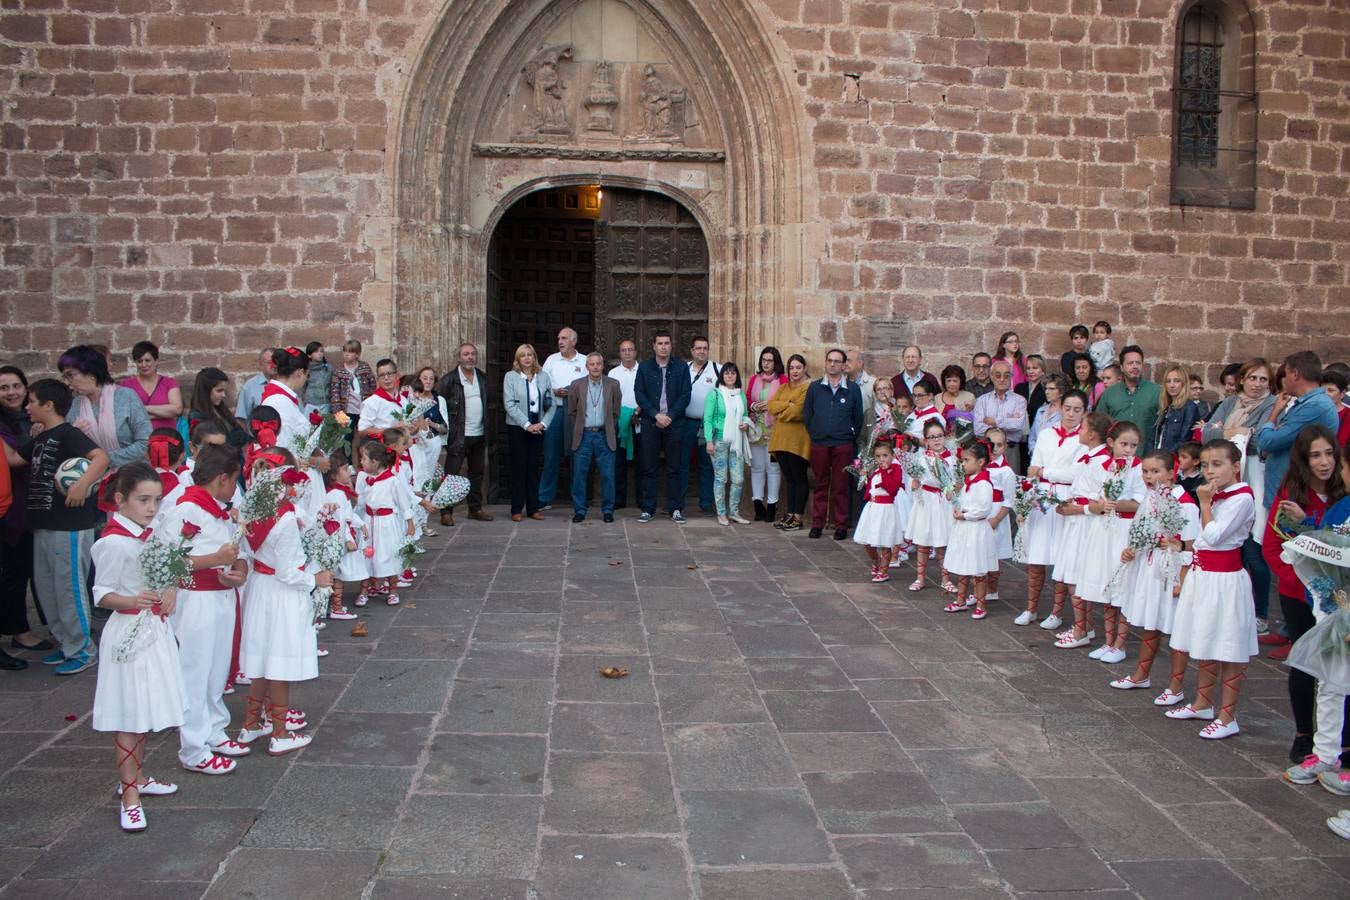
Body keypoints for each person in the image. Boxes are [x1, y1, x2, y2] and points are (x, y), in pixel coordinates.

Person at [90, 462, 188, 832]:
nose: (152, 508)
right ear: (120, 500)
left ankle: (140, 779)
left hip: (154, 630)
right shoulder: (113, 542)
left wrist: (170, 592)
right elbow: (102, 595)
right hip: (130, 633)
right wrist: (135, 599)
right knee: (129, 713)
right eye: (143, 500)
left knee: (144, 707)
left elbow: (170, 573)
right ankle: (129, 795)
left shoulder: (152, 534)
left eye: (157, 500)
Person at [1262, 426, 1347, 772]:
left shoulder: (1344, 494)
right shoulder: (1291, 494)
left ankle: (1340, 739)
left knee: (1341, 669)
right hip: (1300, 592)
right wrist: (1306, 584)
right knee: (1305, 662)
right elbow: (1272, 547)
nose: (1324, 462)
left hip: (1341, 599)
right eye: (1315, 455)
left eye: (1329, 454)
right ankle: (1302, 733)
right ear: (1303, 458)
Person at [159, 443, 246, 775]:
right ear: (222, 478)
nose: (235, 489)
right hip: (196, 600)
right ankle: (193, 748)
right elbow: (169, 561)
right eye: (235, 480)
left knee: (216, 669)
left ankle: (214, 728)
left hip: (221, 596)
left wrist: (239, 569)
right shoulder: (186, 510)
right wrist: (215, 560)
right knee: (195, 672)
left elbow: (236, 551)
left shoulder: (217, 509)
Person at [1165, 439, 1259, 739]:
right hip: (1202, 575)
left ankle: (1228, 715)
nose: (1209, 471)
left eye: (1217, 464)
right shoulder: (1217, 495)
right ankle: (1202, 703)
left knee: (1229, 645)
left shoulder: (1240, 498)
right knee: (1204, 638)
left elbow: (1214, 536)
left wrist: (1204, 503)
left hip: (1225, 580)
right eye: (1205, 465)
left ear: (1235, 466)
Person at [235, 451, 326, 758]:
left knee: (261, 659)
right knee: (279, 662)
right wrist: (315, 581)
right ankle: (280, 732)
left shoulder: (252, 509)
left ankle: (249, 725)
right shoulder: (285, 518)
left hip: (260, 589)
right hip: (282, 593)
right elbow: (288, 572)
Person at [25, 379, 110, 676]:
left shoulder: (68, 433)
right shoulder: (39, 437)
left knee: (69, 587)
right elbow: (15, 459)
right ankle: (66, 642)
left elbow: (101, 457)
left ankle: (83, 650)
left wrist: (82, 485)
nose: (27, 406)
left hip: (70, 525)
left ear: (48, 405)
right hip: (44, 524)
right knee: (48, 588)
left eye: (31, 400)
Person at [1108, 450, 1200, 703]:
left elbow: (1193, 546)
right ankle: (1141, 674)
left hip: (1171, 572)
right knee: (1152, 623)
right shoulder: (1150, 499)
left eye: (1155, 471)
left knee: (1175, 629)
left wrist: (1181, 576)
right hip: (1150, 568)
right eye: (1145, 471)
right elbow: (1140, 530)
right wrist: (1132, 550)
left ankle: (1175, 686)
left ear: (1171, 473)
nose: (1149, 476)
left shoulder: (1186, 505)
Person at [1068, 422, 1144, 662]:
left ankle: (1120, 644)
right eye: (1124, 444)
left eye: (1133, 446)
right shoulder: (1102, 467)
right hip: (1104, 528)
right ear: (1111, 443)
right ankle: (1108, 640)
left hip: (1124, 528)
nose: (1128, 450)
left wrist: (1114, 504)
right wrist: (1099, 505)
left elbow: (1139, 502)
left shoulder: (1139, 470)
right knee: (1106, 584)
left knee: (1120, 585)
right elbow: (1091, 495)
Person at [1015, 390, 1086, 627]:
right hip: (1042, 496)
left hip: (1065, 497)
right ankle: (1031, 608)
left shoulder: (1083, 440)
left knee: (1060, 557)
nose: (1071, 414)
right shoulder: (1046, 435)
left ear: (1084, 413)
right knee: (1036, 556)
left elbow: (1075, 474)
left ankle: (1056, 612)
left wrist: (1046, 472)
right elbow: (1033, 467)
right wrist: (1029, 494)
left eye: (1077, 410)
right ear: (1060, 408)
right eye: (1067, 408)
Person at [1048, 410, 1113, 646]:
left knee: (1076, 575)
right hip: (1076, 522)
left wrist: (1078, 509)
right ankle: (1086, 626)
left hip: (1087, 525)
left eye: (1083, 427)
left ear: (1093, 434)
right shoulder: (1088, 458)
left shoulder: (1104, 463)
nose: (1080, 431)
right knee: (1072, 574)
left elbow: (1103, 502)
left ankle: (1080, 631)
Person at [0, 366, 50, 664]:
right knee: (14, 570)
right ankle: (18, 629)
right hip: (11, 505)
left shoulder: (30, 418)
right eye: (4, 387)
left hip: (33, 501)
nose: (11, 392)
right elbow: (12, 460)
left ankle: (20, 626)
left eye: (16, 386)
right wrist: (38, 439)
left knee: (28, 566)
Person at [1255, 351, 1340, 509]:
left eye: (1286, 374)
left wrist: (1274, 413)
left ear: (1295, 374)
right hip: (1286, 492)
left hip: (1294, 497)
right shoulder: (1309, 404)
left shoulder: (1315, 406)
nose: (1285, 380)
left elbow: (1267, 441)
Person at [802, 348, 863, 540]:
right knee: (820, 484)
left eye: (837, 361)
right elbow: (807, 414)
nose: (833, 364)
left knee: (841, 485)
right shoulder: (815, 387)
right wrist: (816, 432)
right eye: (830, 360)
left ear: (844, 365)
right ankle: (817, 524)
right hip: (820, 442)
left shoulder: (852, 389)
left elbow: (858, 417)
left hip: (843, 443)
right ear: (825, 362)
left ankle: (841, 525)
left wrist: (848, 433)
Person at [58, 345, 151, 470]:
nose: (67, 382)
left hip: (133, 477)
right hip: (93, 481)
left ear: (90, 372)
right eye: (65, 377)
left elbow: (145, 442)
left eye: (70, 375)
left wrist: (101, 461)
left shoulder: (125, 397)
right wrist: (72, 435)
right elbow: (68, 450)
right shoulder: (75, 406)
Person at [634, 331, 692, 523]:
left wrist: (670, 416)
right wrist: (655, 414)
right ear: (654, 346)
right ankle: (648, 508)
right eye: (660, 343)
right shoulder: (644, 367)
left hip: (675, 424)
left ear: (671, 345)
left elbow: (685, 395)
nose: (664, 346)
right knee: (649, 468)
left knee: (674, 468)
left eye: (667, 343)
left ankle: (675, 508)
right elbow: (639, 393)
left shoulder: (682, 367)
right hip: (651, 423)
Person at [355, 438, 415, 604]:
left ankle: (393, 590)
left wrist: (409, 522)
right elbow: (360, 503)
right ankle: (364, 590)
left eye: (364, 459)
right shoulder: (364, 478)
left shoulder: (392, 481)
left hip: (386, 523)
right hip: (369, 521)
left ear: (375, 462)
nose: (361, 462)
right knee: (365, 555)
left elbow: (404, 503)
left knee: (388, 554)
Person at [438, 343, 492, 526]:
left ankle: (475, 509)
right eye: (466, 354)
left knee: (477, 473)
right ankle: (446, 512)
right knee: (451, 475)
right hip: (458, 436)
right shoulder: (448, 380)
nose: (470, 357)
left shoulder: (483, 378)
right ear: (459, 357)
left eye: (473, 354)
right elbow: (440, 407)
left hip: (479, 433)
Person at [943, 442, 997, 620]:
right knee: (963, 564)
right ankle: (961, 600)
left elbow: (984, 508)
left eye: (967, 460)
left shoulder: (983, 484)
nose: (963, 464)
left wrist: (965, 515)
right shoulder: (967, 482)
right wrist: (954, 499)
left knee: (978, 569)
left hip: (976, 530)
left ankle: (981, 605)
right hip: (964, 529)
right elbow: (961, 501)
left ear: (981, 461)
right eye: (962, 460)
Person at [566, 352, 621, 523]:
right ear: (587, 366)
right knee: (579, 475)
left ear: (603, 366)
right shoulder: (576, 385)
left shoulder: (613, 384)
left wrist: (608, 426)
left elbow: (616, 411)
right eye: (592, 364)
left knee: (608, 475)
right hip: (584, 435)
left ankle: (608, 510)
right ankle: (580, 510)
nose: (596, 367)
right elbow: (572, 412)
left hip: (604, 435)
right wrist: (581, 428)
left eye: (598, 364)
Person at [503, 344, 553, 522]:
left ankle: (533, 508)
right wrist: (526, 425)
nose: (526, 358)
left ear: (534, 357)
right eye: (523, 355)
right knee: (519, 468)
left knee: (533, 468)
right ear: (518, 359)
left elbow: (551, 403)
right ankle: (516, 508)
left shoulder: (543, 376)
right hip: (518, 427)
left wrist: (543, 424)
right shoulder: (511, 377)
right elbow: (509, 404)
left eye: (529, 355)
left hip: (538, 425)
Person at [905, 419, 956, 593]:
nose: (936, 440)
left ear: (945, 437)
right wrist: (914, 483)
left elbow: (956, 481)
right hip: (926, 502)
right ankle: (920, 577)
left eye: (940, 436)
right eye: (932, 437)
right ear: (925, 440)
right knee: (923, 542)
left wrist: (952, 488)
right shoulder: (922, 459)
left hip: (943, 502)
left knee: (942, 542)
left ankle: (945, 578)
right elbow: (916, 479)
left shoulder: (952, 459)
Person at [539, 328, 584, 510]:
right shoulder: (551, 360)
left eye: (564, 338)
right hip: (555, 412)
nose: (560, 341)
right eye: (559, 338)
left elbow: (592, 384)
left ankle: (578, 499)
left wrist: (573, 393)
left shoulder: (585, 360)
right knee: (551, 456)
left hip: (577, 414)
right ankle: (544, 498)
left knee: (578, 457)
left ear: (573, 341)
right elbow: (540, 384)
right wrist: (554, 391)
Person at [767, 355, 810, 532]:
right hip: (780, 440)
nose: (794, 371)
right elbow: (771, 405)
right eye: (792, 368)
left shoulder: (807, 388)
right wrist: (787, 405)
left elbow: (798, 412)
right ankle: (790, 513)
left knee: (799, 478)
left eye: (798, 367)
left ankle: (798, 517)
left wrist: (782, 410)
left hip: (798, 441)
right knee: (789, 479)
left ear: (804, 368)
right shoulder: (784, 387)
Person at [704, 362, 750, 525]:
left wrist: (745, 423)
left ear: (737, 376)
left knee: (738, 479)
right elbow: (707, 419)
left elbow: (744, 414)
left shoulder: (740, 395)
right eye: (726, 373)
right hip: (719, 441)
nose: (730, 376)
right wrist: (709, 441)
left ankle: (734, 512)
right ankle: (721, 513)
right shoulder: (715, 394)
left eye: (733, 373)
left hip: (736, 441)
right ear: (721, 376)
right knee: (721, 478)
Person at [853, 440, 904, 583]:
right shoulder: (876, 470)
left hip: (886, 509)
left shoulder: (895, 470)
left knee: (884, 542)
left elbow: (892, 489)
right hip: (872, 508)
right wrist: (865, 476)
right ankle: (876, 562)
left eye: (885, 455)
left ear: (892, 456)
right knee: (868, 541)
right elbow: (872, 488)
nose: (882, 459)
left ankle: (884, 570)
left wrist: (885, 472)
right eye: (878, 456)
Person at [680, 336, 721, 515]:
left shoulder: (717, 369)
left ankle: (706, 503)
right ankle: (677, 503)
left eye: (704, 348)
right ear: (692, 350)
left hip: (708, 426)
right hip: (686, 422)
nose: (701, 351)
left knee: (707, 465)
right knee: (682, 463)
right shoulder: (683, 369)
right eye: (698, 348)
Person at [746, 346, 786, 523]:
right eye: (764, 360)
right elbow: (747, 398)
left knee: (773, 468)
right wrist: (754, 406)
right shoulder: (755, 378)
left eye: (770, 360)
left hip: (774, 430)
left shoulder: (783, 380)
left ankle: (771, 505)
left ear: (776, 362)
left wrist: (770, 406)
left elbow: (785, 402)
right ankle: (757, 504)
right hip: (756, 429)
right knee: (757, 467)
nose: (766, 363)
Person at [1097, 345, 1161, 451]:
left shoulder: (1156, 391)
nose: (1135, 366)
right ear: (1122, 367)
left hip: (1146, 459)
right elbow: (1100, 425)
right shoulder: (1109, 393)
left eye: (1138, 363)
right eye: (1130, 363)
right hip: (1116, 458)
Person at [972, 360, 1028, 470]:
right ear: (992, 377)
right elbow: (978, 429)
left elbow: (1018, 425)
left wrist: (994, 422)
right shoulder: (982, 400)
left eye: (1006, 376)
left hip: (1010, 450)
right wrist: (1008, 422)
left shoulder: (1019, 400)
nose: (1002, 379)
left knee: (1011, 484)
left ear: (1011, 377)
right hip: (987, 451)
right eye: (998, 375)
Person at [608, 339, 642, 510]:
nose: (627, 353)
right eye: (624, 350)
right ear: (620, 353)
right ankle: (618, 500)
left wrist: (638, 412)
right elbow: (610, 398)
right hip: (619, 424)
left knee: (642, 463)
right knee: (618, 463)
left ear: (636, 352)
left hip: (640, 421)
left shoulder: (644, 371)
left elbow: (650, 394)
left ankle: (642, 500)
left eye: (630, 349)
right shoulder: (613, 373)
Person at [119, 341, 183, 431]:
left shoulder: (169, 383)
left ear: (156, 361)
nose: (144, 365)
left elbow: (177, 409)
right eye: (139, 361)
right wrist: (163, 413)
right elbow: (126, 413)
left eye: (147, 360)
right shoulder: (126, 385)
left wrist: (142, 408)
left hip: (165, 438)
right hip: (137, 439)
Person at [983, 428, 1015, 602]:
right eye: (991, 444)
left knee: (993, 554)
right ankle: (980, 588)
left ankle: (992, 590)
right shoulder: (979, 464)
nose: (994, 448)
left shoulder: (1006, 472)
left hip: (996, 513)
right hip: (981, 510)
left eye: (999, 445)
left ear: (1005, 447)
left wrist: (996, 519)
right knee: (979, 551)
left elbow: (1009, 500)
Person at [260, 347, 311, 450]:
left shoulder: (283, 398)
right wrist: (315, 461)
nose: (306, 379)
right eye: (307, 375)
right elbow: (282, 447)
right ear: (300, 372)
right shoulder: (280, 401)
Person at [329, 339, 375, 445]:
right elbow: (335, 392)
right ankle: (347, 461)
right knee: (346, 439)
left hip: (363, 410)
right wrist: (338, 412)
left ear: (357, 354)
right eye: (345, 352)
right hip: (347, 411)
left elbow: (372, 385)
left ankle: (363, 460)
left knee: (365, 439)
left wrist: (371, 405)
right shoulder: (339, 370)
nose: (346, 354)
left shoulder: (365, 367)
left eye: (350, 352)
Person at [188, 368, 247, 448]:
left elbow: (241, 434)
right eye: (219, 390)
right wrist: (233, 439)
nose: (223, 395)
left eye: (224, 391)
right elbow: (213, 445)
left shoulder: (220, 409)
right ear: (206, 391)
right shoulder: (197, 416)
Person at [359, 359, 412, 440]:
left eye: (389, 374)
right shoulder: (371, 402)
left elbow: (410, 426)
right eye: (382, 375)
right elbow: (362, 431)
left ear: (397, 376)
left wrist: (414, 430)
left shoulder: (404, 400)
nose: (386, 378)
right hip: (382, 449)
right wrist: (391, 430)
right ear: (378, 379)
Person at [1155, 364, 1203, 453]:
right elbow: (1156, 436)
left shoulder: (1190, 408)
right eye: (1168, 381)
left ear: (1183, 383)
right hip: (1158, 456)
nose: (1171, 385)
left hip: (1173, 460)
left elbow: (1184, 440)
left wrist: (1165, 457)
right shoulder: (1166, 407)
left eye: (1176, 381)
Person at [1016, 354, 1048, 471]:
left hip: (1037, 433)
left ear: (1042, 370)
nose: (1031, 371)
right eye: (1028, 368)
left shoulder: (1046, 389)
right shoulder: (1020, 387)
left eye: (1035, 368)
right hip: (1020, 433)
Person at [1027, 373, 1066, 461]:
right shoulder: (1041, 410)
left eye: (1051, 389)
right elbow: (1032, 435)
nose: (1047, 392)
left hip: (1055, 459)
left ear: (1062, 391)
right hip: (1035, 458)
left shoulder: (1065, 413)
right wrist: (1033, 451)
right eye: (1046, 389)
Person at [234, 348, 276, 423]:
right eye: (269, 362)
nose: (273, 365)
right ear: (261, 365)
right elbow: (241, 419)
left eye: (276, 362)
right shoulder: (249, 386)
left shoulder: (286, 384)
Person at [937, 365, 975, 433]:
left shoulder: (969, 397)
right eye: (949, 381)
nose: (951, 384)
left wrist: (969, 411)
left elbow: (973, 421)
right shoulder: (937, 398)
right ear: (944, 382)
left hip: (961, 437)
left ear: (960, 382)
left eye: (955, 381)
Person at [1321, 369, 1350, 447]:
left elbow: (1341, 443)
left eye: (1331, 390)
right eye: (1322, 390)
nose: (1326, 394)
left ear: (1342, 394)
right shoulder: (1314, 411)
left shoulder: (1348, 415)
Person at [302, 342, 332, 415]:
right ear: (309, 355)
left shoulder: (328, 368)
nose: (319, 353)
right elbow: (303, 386)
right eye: (316, 352)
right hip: (310, 404)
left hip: (325, 404)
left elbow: (332, 384)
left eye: (321, 351)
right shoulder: (306, 370)